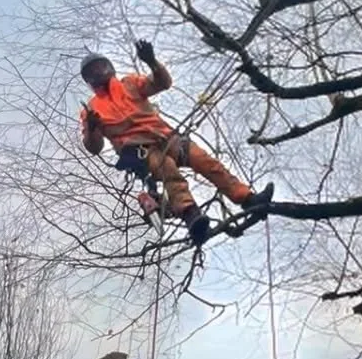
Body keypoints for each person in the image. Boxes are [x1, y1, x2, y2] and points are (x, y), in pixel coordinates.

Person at [80, 42, 272, 246]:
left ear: (109, 67)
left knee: (205, 161)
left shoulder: (130, 84)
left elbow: (162, 83)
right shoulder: (92, 110)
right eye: (94, 71)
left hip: (167, 138)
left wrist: (153, 63)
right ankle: (191, 215)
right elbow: (94, 147)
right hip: (142, 152)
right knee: (168, 170)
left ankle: (248, 199)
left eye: (101, 67)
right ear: (89, 79)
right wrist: (92, 127)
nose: (99, 72)